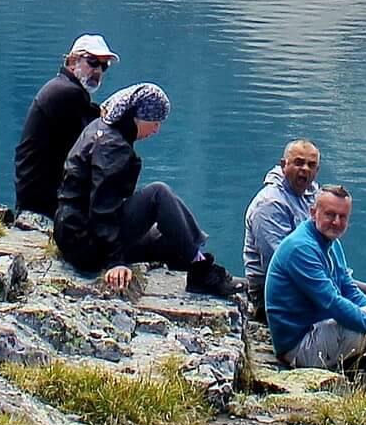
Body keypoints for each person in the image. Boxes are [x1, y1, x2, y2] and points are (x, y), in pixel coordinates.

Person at [52, 83, 238, 297]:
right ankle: (201, 271)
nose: (157, 129)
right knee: (158, 193)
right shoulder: (113, 147)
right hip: (85, 244)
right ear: (138, 116)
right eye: (155, 121)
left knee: (169, 234)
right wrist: (115, 262)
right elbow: (102, 208)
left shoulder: (102, 128)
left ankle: (198, 263)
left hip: (72, 233)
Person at [262, 184, 366, 393]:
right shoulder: (301, 248)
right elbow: (333, 304)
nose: (336, 222)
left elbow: (349, 290)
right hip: (299, 344)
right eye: (330, 215)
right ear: (313, 213)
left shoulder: (331, 243)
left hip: (322, 329)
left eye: (342, 217)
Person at [14, 34, 114, 220]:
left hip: (34, 195)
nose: (99, 71)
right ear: (72, 61)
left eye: (104, 66)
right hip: (42, 202)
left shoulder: (64, 88)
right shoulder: (66, 93)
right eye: (93, 62)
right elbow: (88, 148)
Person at [242, 139, 321, 316]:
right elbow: (278, 262)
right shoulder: (270, 203)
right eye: (299, 163)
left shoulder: (313, 195)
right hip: (273, 290)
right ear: (284, 165)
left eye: (311, 165)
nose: (305, 169)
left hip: (309, 277)